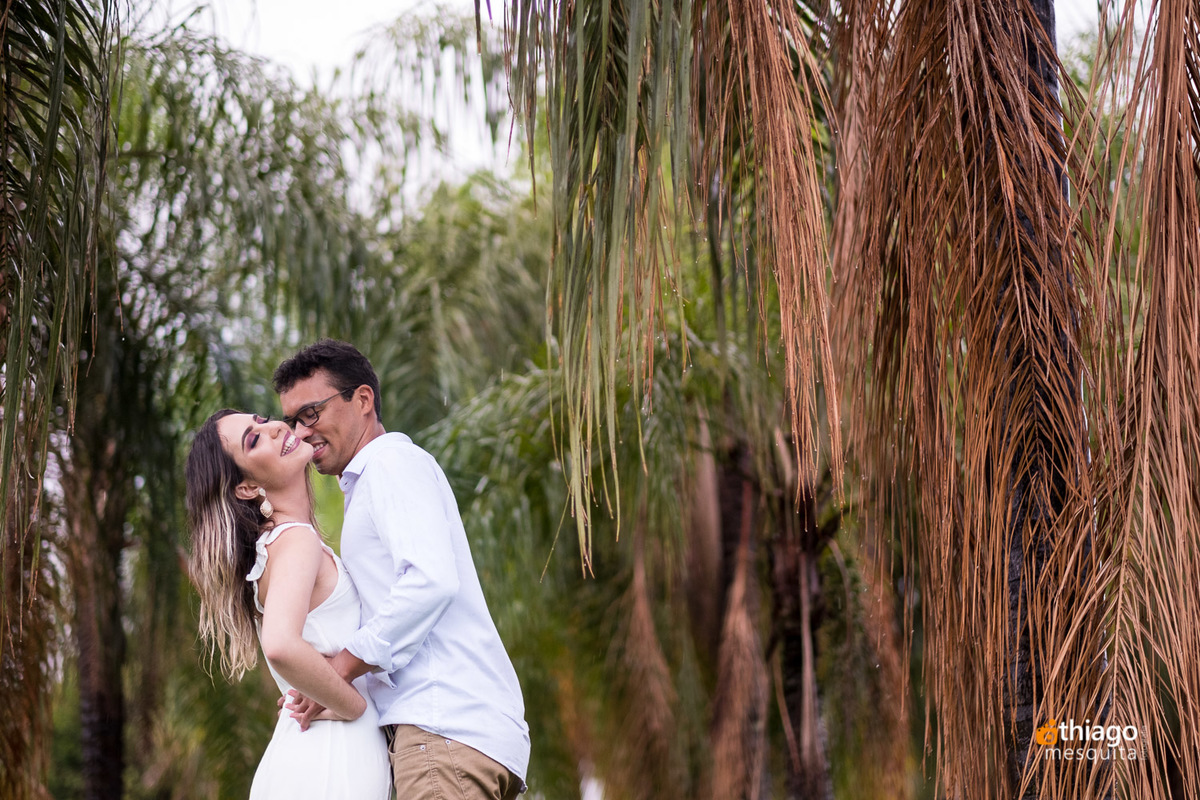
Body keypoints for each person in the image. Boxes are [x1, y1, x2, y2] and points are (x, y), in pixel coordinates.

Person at [273, 339, 530, 800]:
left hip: (442, 729)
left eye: (310, 413)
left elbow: (430, 581)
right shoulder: (372, 481)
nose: (299, 431)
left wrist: (340, 669)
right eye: (291, 420)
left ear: (363, 400)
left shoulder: (390, 463)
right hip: (456, 733)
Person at [185, 409, 391, 800]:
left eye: (262, 420)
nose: (276, 427)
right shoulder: (295, 540)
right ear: (245, 488)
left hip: (313, 755)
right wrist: (355, 707)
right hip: (331, 759)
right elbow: (280, 644)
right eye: (254, 439)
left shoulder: (278, 547)